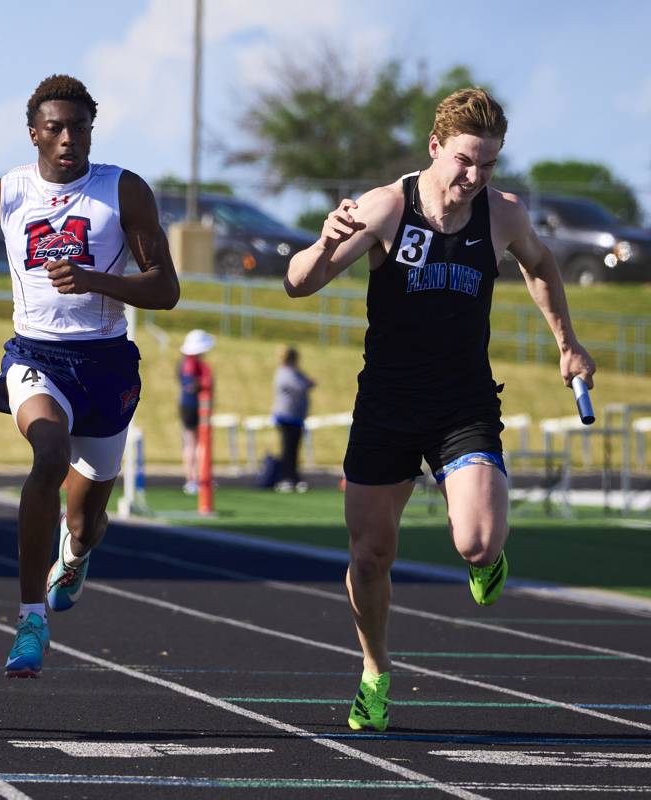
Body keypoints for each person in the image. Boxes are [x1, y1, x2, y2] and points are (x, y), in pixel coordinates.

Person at [285, 88, 595, 733]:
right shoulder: (386, 207)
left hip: (463, 403)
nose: (475, 176)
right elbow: (299, 283)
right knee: (370, 555)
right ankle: (375, 672)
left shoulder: (502, 214)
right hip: (387, 405)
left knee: (476, 544)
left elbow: (541, 265)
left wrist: (568, 344)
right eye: (464, 161)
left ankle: (488, 559)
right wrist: (323, 242)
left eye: (488, 164)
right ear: (435, 147)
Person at [0, 74, 180, 678]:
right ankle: (31, 617)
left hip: (106, 364)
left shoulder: (123, 191)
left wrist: (94, 281)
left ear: (92, 131)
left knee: (86, 521)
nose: (68, 139)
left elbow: (165, 288)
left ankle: (76, 551)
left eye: (79, 128)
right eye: (56, 128)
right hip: (36, 356)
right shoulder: (4, 193)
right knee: (48, 456)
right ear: (34, 133)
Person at [271, 345, 315, 492]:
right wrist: (308, 382)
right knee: (288, 449)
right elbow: (300, 386)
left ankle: (294, 476)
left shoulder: (295, 372)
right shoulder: (285, 372)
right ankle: (286, 478)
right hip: (286, 416)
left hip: (296, 417)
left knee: (294, 449)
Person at [178, 329, 214, 495]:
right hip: (193, 406)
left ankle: (195, 478)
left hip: (189, 406)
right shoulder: (192, 363)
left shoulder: (186, 362)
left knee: (192, 442)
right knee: (194, 443)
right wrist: (203, 383)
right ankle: (194, 479)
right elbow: (191, 386)